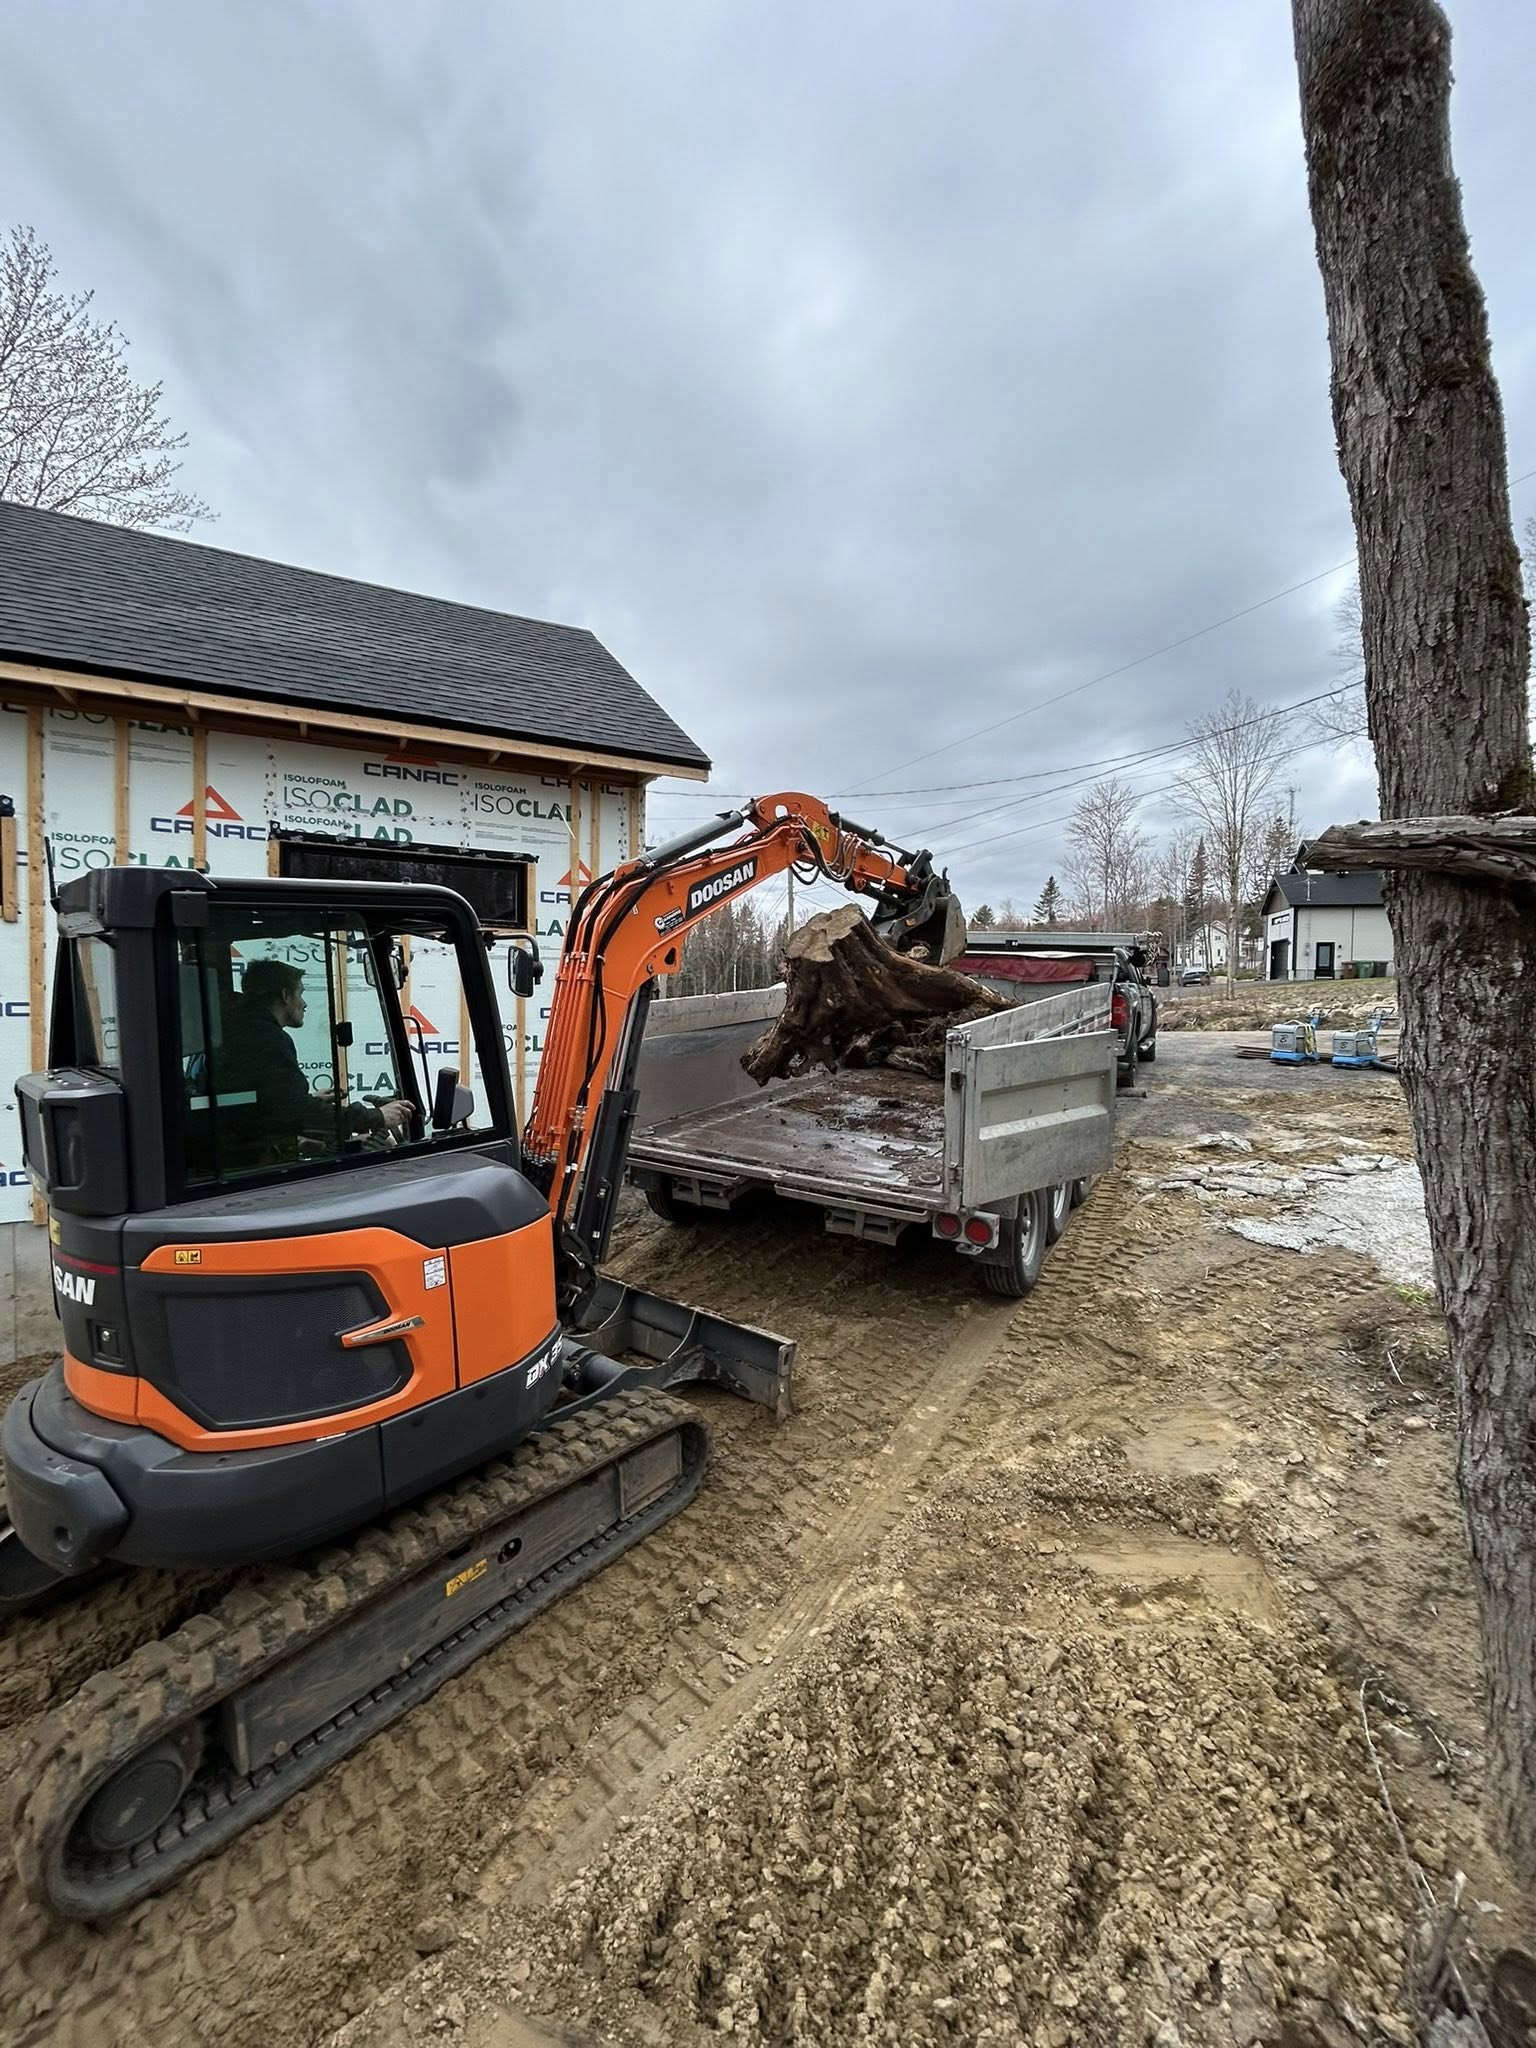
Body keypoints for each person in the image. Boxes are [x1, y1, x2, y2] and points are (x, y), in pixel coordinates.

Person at [221, 960, 411, 1152]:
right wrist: (375, 1117)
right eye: (300, 993)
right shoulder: (266, 1038)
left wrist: (309, 1099)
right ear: (286, 995)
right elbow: (295, 1111)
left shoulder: (238, 1031)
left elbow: (271, 1103)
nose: (304, 1004)